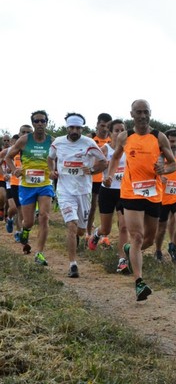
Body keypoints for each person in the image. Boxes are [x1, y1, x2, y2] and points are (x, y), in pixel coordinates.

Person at [104, 99, 176, 301]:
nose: (143, 116)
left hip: (153, 193)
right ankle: (139, 282)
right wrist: (110, 175)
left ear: (150, 113)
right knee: (137, 236)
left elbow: (172, 164)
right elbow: (116, 158)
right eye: (139, 112)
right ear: (132, 114)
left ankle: (128, 251)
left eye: (146, 112)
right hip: (130, 192)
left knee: (149, 240)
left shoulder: (159, 137)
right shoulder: (124, 137)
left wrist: (165, 169)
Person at [48, 113, 107, 278]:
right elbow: (50, 158)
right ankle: (73, 264)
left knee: (81, 230)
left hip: (83, 191)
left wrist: (93, 170)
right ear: (67, 127)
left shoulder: (89, 143)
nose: (75, 130)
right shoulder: (58, 142)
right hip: (65, 191)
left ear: (82, 128)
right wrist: (51, 170)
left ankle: (80, 237)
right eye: (72, 127)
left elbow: (103, 162)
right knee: (72, 226)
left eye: (78, 128)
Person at [5, 111, 55, 265]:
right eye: (37, 121)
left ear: (47, 122)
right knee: (28, 221)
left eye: (42, 121)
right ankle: (25, 230)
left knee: (44, 217)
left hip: (45, 184)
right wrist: (14, 169)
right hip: (27, 185)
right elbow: (7, 157)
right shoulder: (24, 140)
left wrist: (55, 171)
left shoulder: (52, 141)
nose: (40, 123)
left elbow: (58, 158)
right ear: (33, 123)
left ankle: (39, 253)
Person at [88, 119, 130, 273]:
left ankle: (122, 260)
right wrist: (101, 171)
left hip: (125, 192)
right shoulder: (104, 149)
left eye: (122, 130)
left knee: (124, 226)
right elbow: (95, 167)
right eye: (117, 130)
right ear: (111, 133)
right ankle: (97, 234)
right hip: (107, 190)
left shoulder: (129, 149)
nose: (120, 133)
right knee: (107, 229)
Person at [154, 129, 176, 264]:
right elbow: (150, 171)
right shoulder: (160, 157)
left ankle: (173, 247)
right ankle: (157, 251)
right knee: (161, 228)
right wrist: (159, 177)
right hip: (162, 198)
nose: (174, 144)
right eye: (171, 141)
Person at [87, 113, 113, 246]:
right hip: (92, 178)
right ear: (97, 125)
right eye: (102, 125)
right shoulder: (91, 139)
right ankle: (87, 232)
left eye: (107, 126)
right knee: (92, 207)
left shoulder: (112, 141)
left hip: (105, 180)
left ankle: (104, 236)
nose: (104, 129)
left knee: (105, 210)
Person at [3, 127, 32, 241]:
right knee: (17, 209)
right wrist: (7, 171)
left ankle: (17, 227)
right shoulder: (12, 149)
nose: (25, 134)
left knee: (25, 212)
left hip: (29, 182)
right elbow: (4, 158)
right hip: (14, 182)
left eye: (28, 133)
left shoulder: (34, 148)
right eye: (23, 132)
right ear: (19, 134)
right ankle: (18, 230)